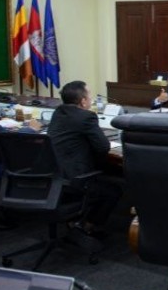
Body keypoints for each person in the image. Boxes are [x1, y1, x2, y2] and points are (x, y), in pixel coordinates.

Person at [48, 81, 122, 235]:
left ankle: (72, 222)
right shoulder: (87, 117)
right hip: (76, 179)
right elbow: (103, 147)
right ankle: (87, 227)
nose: (91, 99)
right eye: (89, 96)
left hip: (55, 177)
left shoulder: (58, 113)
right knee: (113, 191)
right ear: (83, 101)